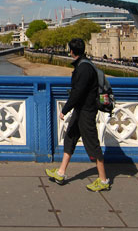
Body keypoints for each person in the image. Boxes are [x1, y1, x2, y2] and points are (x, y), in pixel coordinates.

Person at [45, 38, 110, 192]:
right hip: (81, 110)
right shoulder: (85, 64)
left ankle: (103, 180)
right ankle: (61, 173)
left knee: (93, 144)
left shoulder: (83, 69)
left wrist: (65, 109)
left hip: (86, 111)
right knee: (70, 138)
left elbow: (78, 93)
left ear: (71, 51)